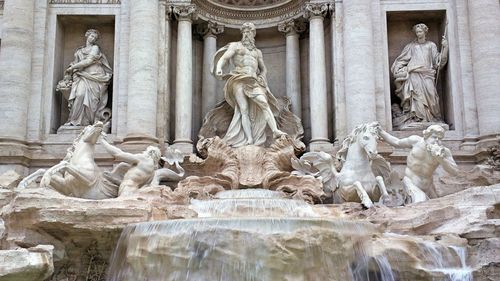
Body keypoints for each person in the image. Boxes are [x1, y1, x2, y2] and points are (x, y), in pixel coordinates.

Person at [212, 22, 286, 147]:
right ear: (242, 33)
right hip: (238, 79)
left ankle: (275, 131)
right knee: (243, 109)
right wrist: (219, 68)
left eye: (250, 31)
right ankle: (249, 139)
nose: (247, 34)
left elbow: (263, 69)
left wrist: (262, 76)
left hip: (253, 81)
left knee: (264, 104)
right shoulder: (236, 46)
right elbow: (224, 58)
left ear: (253, 34)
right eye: (245, 31)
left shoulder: (257, 52)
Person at [376, 124, 458, 203]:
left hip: (428, 187)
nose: (437, 141)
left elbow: (454, 171)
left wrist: (441, 159)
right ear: (426, 136)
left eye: (440, 138)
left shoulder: (444, 152)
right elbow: (397, 142)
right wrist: (381, 132)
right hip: (411, 183)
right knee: (421, 201)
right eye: (434, 137)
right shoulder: (415, 141)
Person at [391, 23, 448, 124]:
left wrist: (445, 48)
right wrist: (398, 69)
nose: (418, 33)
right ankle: (418, 119)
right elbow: (401, 60)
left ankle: (433, 118)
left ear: (425, 32)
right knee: (416, 97)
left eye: (420, 31)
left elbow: (438, 62)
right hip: (414, 74)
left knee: (432, 96)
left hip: (428, 74)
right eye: (417, 32)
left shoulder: (431, 45)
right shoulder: (411, 46)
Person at [64, 29, 112, 126]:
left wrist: (73, 67)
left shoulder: (95, 48)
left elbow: (88, 61)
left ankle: (87, 122)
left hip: (95, 76)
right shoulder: (79, 51)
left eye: (95, 37)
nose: (92, 38)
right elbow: (76, 63)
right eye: (91, 36)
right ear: (87, 36)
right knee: (80, 95)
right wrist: (72, 69)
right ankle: (75, 120)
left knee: (92, 101)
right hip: (82, 76)